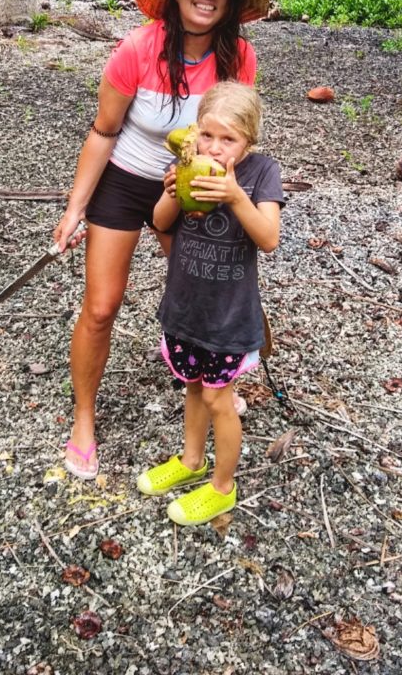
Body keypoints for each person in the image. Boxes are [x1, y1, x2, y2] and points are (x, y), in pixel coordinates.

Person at [53, 0, 270, 480]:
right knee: (101, 307)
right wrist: (75, 207)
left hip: (197, 186)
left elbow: (237, 135)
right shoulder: (137, 49)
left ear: (230, 2)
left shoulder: (238, 56)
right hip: (126, 180)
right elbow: (104, 131)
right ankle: (83, 418)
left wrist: (231, 192)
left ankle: (215, 379)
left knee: (211, 287)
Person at [137, 81, 283, 524]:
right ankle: (190, 460)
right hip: (186, 308)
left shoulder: (261, 174)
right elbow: (159, 223)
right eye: (207, 134)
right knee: (194, 388)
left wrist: (236, 196)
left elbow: (269, 239)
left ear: (249, 142)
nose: (214, 148)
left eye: (228, 139)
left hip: (228, 317)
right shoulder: (184, 163)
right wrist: (169, 190)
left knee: (220, 399)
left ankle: (222, 486)